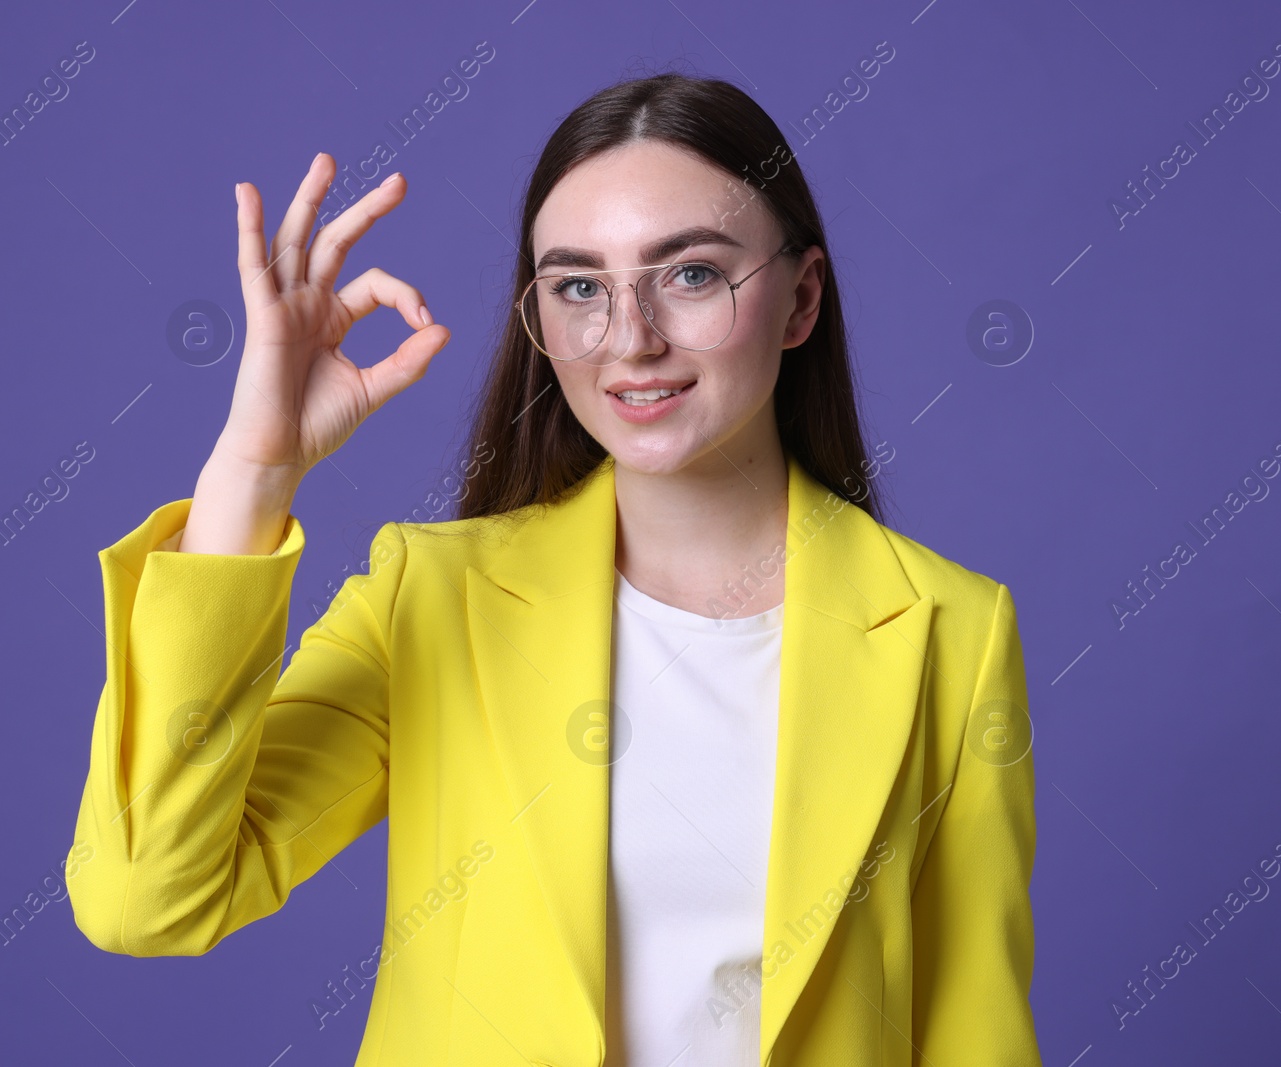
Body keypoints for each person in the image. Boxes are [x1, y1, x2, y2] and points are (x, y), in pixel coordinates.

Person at [65, 72, 1042, 1066]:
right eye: (580, 286)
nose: (630, 337)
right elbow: (147, 899)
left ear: (800, 298)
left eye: (692, 273)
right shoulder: (433, 599)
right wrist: (253, 469)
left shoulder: (951, 633)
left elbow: (975, 1032)